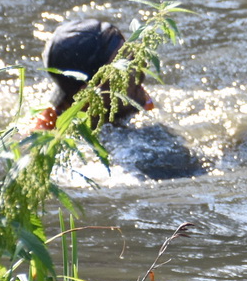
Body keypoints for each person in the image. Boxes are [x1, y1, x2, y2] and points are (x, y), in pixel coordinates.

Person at [31, 16, 203, 180]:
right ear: (88, 95)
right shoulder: (129, 157)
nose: (141, 68)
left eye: (132, 55)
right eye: (123, 67)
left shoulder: (64, 103)